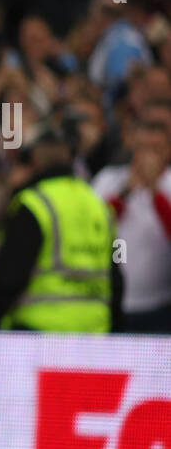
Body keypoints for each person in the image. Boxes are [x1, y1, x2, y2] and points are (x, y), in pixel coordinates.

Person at [0, 121, 122, 331]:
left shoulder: (35, 205)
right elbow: (118, 270)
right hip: (93, 335)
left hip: (41, 335)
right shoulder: (100, 206)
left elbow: (7, 279)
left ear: (34, 159)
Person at [91, 119, 171, 331]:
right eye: (142, 148)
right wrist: (124, 194)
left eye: (154, 149)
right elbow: (93, 228)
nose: (147, 157)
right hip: (111, 300)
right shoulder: (109, 179)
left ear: (167, 150)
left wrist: (155, 192)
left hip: (160, 304)